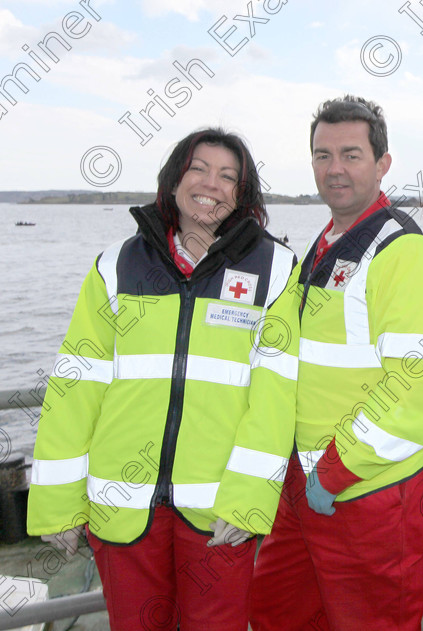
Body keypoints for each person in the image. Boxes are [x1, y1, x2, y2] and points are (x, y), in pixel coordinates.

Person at [27, 128, 297, 631]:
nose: (211, 185)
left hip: (219, 514)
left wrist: (249, 500)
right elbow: (75, 386)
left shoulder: (274, 269)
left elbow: (276, 395)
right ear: (174, 178)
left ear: (242, 194)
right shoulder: (117, 265)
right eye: (199, 169)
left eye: (228, 176)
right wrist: (59, 500)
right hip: (121, 504)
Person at [248, 95, 423, 630]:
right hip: (303, 482)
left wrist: (334, 472)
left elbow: (415, 386)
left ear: (382, 164)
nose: (334, 168)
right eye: (322, 155)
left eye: (351, 154)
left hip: (365, 491)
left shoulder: (404, 253)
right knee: (276, 614)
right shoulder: (323, 247)